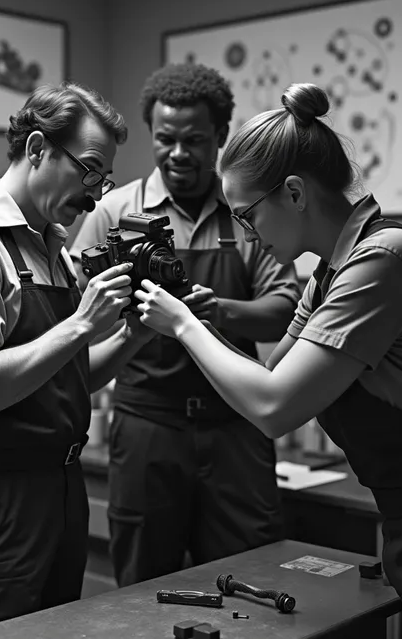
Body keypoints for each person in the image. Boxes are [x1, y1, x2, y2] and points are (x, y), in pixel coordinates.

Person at [135, 82, 402, 637]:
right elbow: (266, 382)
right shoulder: (329, 272)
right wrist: (193, 324)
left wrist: (184, 324)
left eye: (248, 216)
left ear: (293, 193)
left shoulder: (384, 260)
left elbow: (273, 409)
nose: (248, 235)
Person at [70, 62, 301, 587]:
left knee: (256, 575)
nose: (178, 153)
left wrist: (218, 311)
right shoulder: (113, 209)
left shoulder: (248, 209)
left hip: (235, 426)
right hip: (148, 426)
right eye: (165, 139)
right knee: (142, 584)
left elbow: (287, 307)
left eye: (194, 140)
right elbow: (80, 309)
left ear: (220, 137)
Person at [0, 82, 154, 633]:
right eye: (88, 169)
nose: (94, 194)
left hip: (61, 487)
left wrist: (133, 336)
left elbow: (68, 379)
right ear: (38, 148)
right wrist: (83, 323)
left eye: (103, 178)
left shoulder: (53, 243)